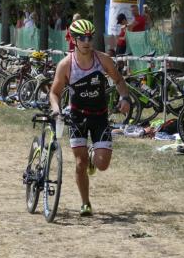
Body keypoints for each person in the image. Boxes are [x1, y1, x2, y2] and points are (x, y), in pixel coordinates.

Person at [49, 19, 131, 217]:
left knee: (102, 165)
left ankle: (94, 154)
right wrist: (56, 110)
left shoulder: (103, 60)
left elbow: (119, 80)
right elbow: (54, 93)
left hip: (100, 116)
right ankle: (85, 203)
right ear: (73, 40)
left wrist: (125, 97)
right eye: (82, 38)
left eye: (89, 38)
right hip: (77, 116)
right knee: (80, 163)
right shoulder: (66, 65)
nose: (87, 42)